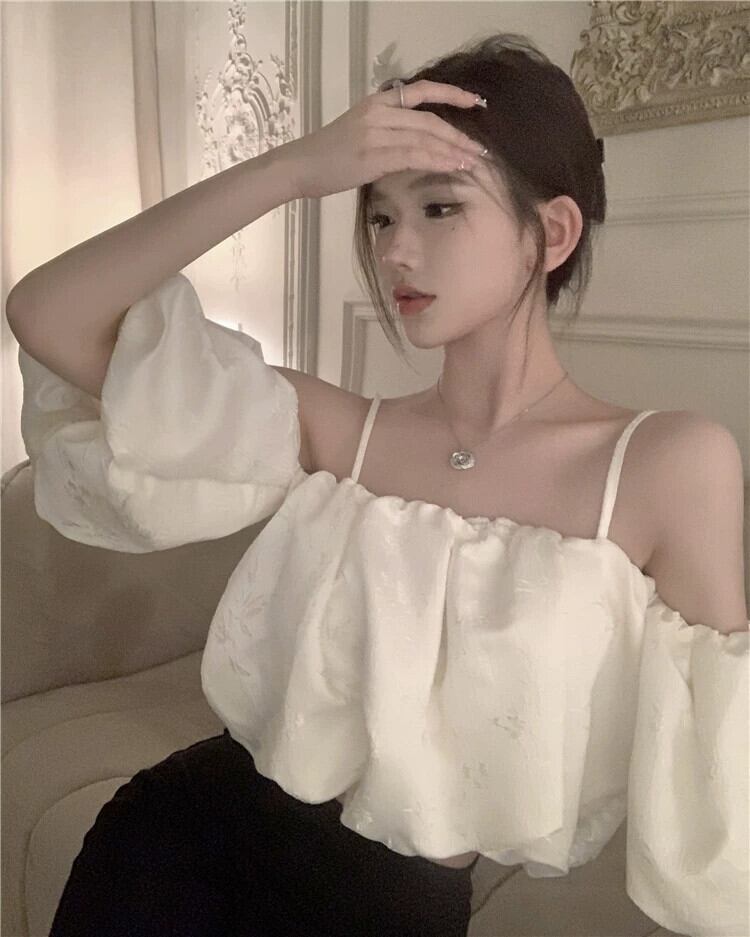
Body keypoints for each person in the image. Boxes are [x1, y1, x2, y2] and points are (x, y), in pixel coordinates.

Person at [7, 31, 748, 937]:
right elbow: (46, 313)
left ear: (551, 233)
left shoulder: (666, 463)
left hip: (389, 908)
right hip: (178, 847)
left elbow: (724, 781)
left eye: (439, 207)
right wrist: (294, 169)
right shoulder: (340, 434)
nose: (396, 249)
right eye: (380, 216)